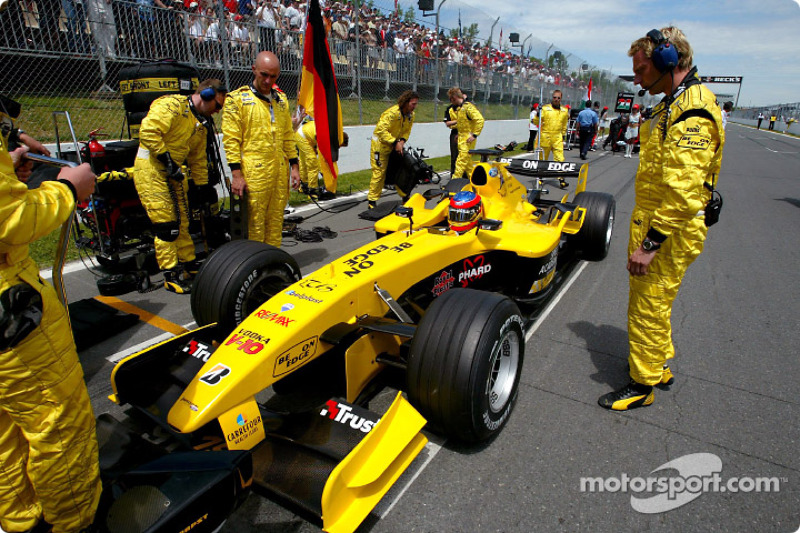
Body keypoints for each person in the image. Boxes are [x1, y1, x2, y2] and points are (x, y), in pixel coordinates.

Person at [598, 27, 725, 411]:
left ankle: (642, 383)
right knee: (656, 301)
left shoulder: (692, 112)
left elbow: (684, 193)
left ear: (668, 62)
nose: (636, 79)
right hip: (657, 223)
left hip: (666, 232)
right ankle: (658, 363)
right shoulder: (672, 102)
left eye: (640, 70)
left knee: (648, 304)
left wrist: (650, 245)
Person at [0, 94, 101, 533]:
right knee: (58, 420)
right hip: (11, 308)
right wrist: (67, 189)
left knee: (8, 427)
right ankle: (74, 521)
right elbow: (13, 220)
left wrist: (9, 170)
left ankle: (20, 521)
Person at [134, 79, 227, 294]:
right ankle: (170, 273)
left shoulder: (200, 126)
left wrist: (203, 187)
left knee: (184, 220)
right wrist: (166, 160)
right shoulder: (172, 105)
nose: (217, 112)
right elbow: (148, 132)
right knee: (166, 224)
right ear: (206, 95)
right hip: (152, 169)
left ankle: (188, 262)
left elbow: (198, 159)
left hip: (175, 174)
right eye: (217, 106)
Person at [223, 51, 300, 244]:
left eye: (273, 76)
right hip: (254, 173)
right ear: (254, 70)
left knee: (275, 222)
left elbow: (287, 136)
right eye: (263, 74)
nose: (267, 80)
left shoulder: (281, 100)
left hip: (279, 172)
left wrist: (295, 167)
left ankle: (272, 261)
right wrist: (237, 175)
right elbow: (231, 140)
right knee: (255, 225)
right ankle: (255, 266)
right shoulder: (236, 100)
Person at [367, 89, 419, 208]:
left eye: (416, 104)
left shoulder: (411, 116)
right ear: (406, 102)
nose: (415, 107)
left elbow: (406, 131)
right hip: (380, 146)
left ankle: (405, 196)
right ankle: (372, 201)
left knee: (402, 171)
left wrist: (401, 141)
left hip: (395, 146)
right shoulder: (392, 113)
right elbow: (380, 130)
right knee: (379, 173)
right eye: (413, 104)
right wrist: (395, 142)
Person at [296, 116, 348, 200]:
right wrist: (325, 175)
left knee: (304, 161)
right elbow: (322, 159)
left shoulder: (332, 134)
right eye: (339, 146)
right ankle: (312, 191)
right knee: (312, 162)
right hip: (303, 136)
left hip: (306, 134)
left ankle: (304, 186)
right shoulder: (327, 136)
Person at [448, 87, 484, 180]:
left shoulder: (468, 107)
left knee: (460, 162)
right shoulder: (461, 108)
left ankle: (453, 184)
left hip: (467, 139)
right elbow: (462, 124)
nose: (451, 102)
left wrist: (475, 134)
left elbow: (480, 120)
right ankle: (477, 182)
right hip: (462, 138)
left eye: (451, 99)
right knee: (467, 165)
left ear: (454, 98)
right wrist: (459, 135)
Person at [537, 89, 569, 161]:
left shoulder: (564, 110)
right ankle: (542, 172)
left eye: (558, 98)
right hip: (545, 137)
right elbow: (536, 122)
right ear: (552, 97)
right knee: (542, 159)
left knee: (560, 159)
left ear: (561, 99)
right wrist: (537, 113)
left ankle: (559, 171)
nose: (556, 99)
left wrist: (563, 135)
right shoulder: (545, 108)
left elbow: (564, 124)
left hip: (557, 138)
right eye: (554, 97)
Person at [444, 98, 459, 175]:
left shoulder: (465, 107)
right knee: (454, 155)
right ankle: (453, 174)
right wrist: (458, 120)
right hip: (454, 131)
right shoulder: (449, 109)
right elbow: (447, 123)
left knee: (464, 156)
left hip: (465, 131)